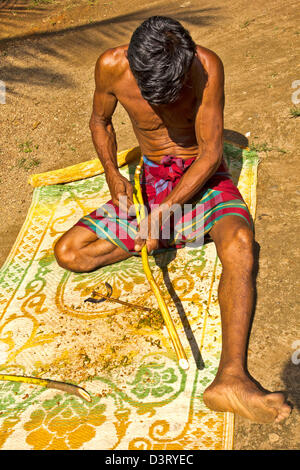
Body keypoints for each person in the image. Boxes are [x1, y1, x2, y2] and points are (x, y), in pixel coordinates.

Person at [54, 16, 291, 423]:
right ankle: (171, 234)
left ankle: (232, 377)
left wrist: (162, 216)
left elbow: (212, 153)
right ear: (133, 64)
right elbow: (100, 121)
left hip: (203, 177)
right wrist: (113, 174)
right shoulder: (111, 66)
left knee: (239, 245)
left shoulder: (206, 66)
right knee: (71, 253)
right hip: (154, 184)